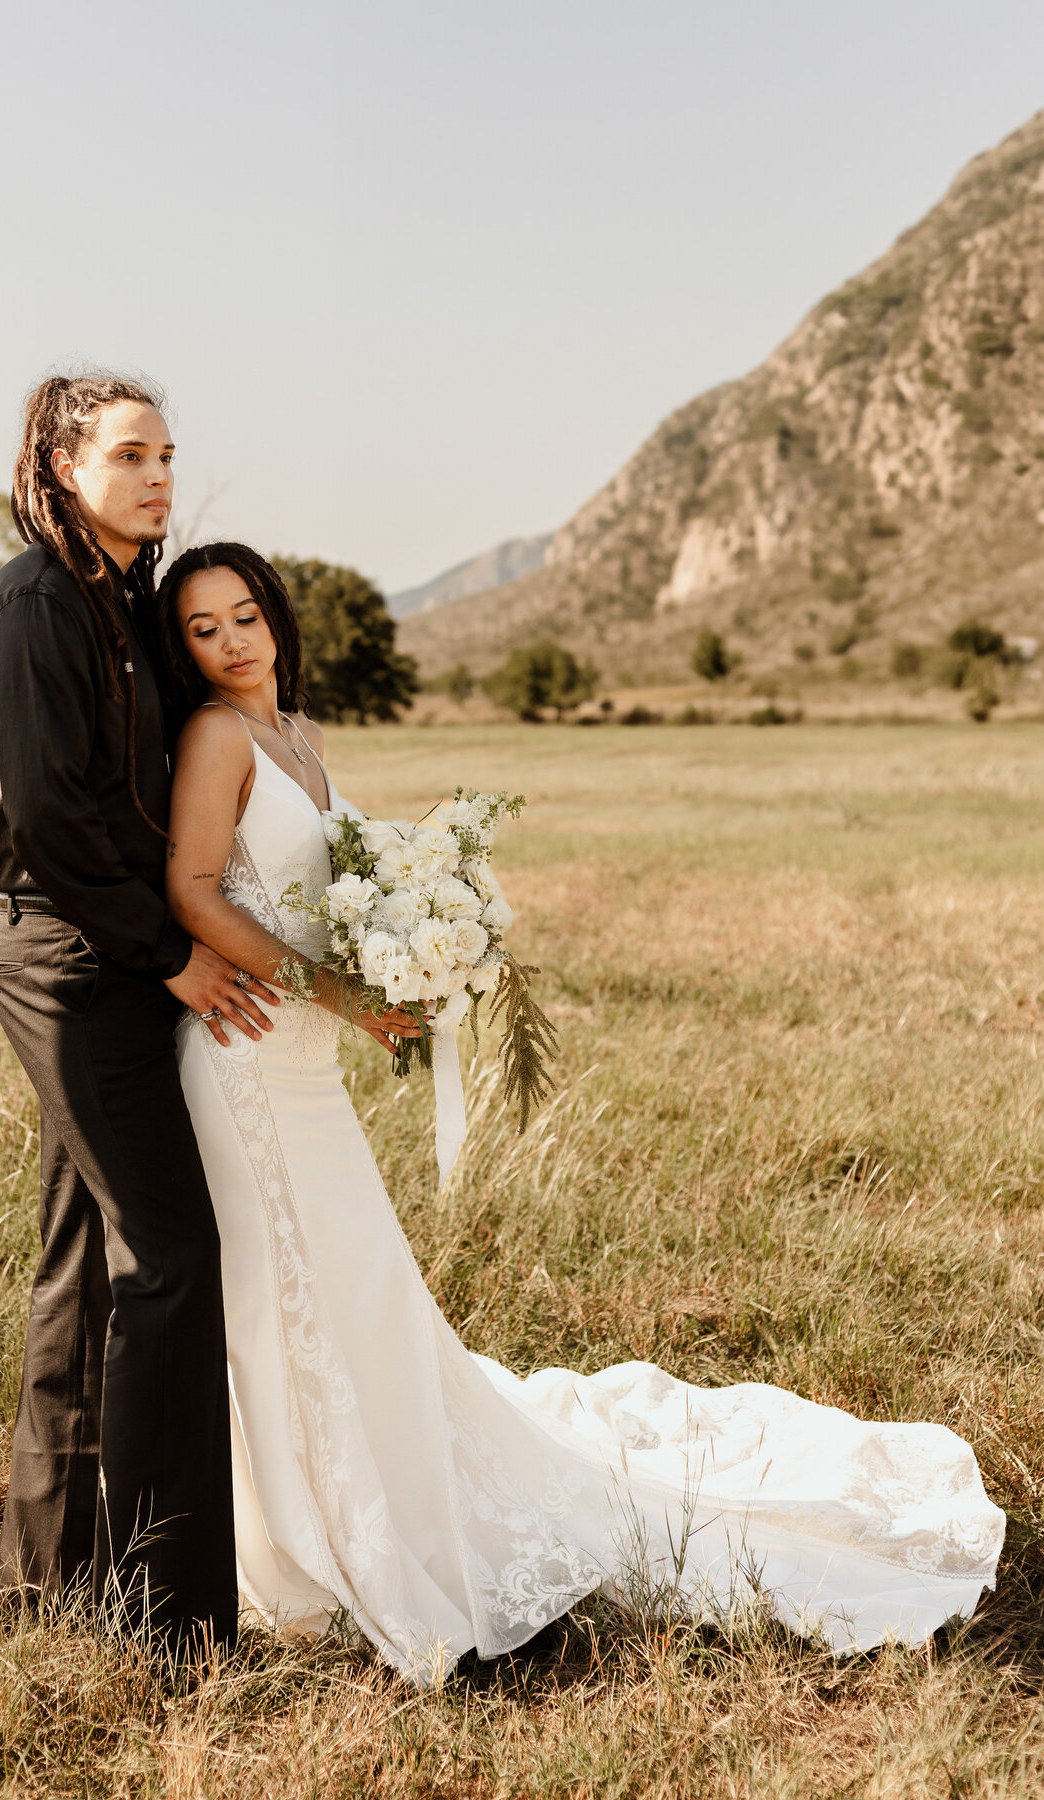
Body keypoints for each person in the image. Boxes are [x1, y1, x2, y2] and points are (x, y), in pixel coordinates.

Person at [155, 538, 1006, 1686]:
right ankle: (308, 1541)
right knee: (292, 1293)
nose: (229, 642)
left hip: (306, 1060)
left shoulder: (298, 733)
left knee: (359, 1285)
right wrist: (342, 991)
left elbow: (323, 877)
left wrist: (405, 932)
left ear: (275, 619)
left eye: (243, 616)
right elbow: (192, 888)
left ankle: (389, 1480)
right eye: (202, 629)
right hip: (248, 1058)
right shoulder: (213, 736)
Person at [0, 374, 273, 1658]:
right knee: (169, 1258)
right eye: (131, 454)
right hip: (76, 961)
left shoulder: (123, 599)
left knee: (86, 1266)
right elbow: (53, 823)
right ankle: (169, 1619)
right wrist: (171, 954)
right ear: (61, 463)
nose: (158, 475)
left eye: (168, 454)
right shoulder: (35, 605)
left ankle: (60, 1576)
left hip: (120, 956)